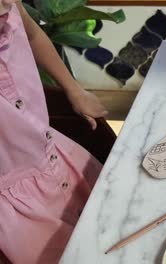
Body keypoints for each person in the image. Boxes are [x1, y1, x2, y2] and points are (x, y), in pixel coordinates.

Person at [0, 1, 108, 263]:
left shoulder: (9, 4)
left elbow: (34, 34)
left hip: (54, 152)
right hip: (16, 206)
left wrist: (74, 89)